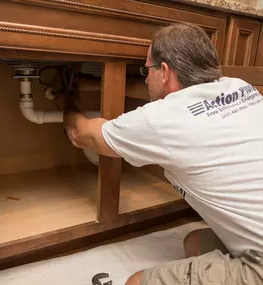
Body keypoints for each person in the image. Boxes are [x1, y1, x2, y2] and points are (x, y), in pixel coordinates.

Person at [59, 22, 263, 284]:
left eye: (147, 70)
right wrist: (89, 83)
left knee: (136, 281)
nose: (144, 78)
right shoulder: (239, 87)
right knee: (194, 242)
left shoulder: (163, 120)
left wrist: (63, 99)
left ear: (164, 71)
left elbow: (82, 134)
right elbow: (167, 100)